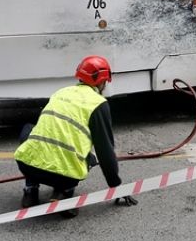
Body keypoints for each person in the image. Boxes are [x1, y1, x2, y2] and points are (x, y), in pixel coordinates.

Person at [14, 55, 138, 217]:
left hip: (27, 167)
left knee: (29, 129)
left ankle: (30, 189)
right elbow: (105, 151)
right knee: (90, 158)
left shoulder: (60, 92)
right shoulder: (98, 104)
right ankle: (64, 192)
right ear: (101, 81)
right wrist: (117, 187)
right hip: (63, 176)